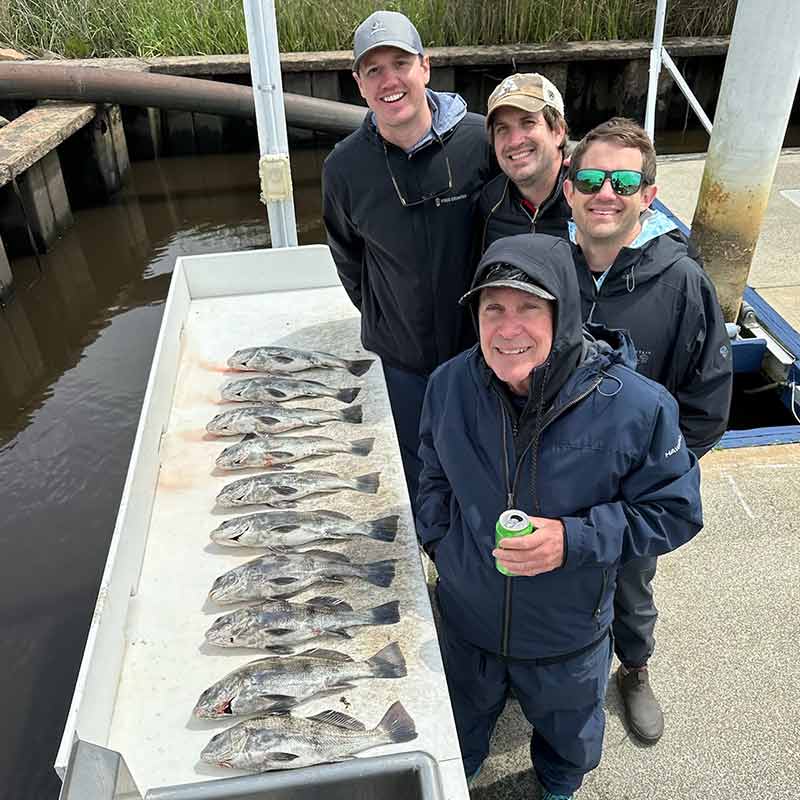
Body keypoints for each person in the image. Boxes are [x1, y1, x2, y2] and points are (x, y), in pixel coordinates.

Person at [417, 233, 703, 799]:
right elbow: (432, 471)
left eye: (529, 308)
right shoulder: (448, 385)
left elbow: (675, 510)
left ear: (564, 313)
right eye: (493, 308)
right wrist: (443, 543)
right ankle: (458, 769)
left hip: (567, 631)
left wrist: (573, 541)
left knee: (569, 735)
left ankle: (558, 784)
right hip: (468, 619)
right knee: (460, 718)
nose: (508, 328)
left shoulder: (637, 406)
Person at [563, 117, 732, 744]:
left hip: (634, 489)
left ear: (649, 195)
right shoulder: (549, 268)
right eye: (590, 179)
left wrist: (659, 476)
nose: (605, 192)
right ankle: (555, 672)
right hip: (558, 477)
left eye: (624, 181)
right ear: (569, 190)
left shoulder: (683, 282)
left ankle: (633, 669)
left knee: (633, 585)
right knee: (557, 580)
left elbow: (708, 399)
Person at [322, 10, 494, 507]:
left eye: (400, 63)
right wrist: (382, 314)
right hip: (401, 361)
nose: (389, 80)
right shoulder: (343, 167)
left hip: (480, 352)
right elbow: (347, 255)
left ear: (425, 66)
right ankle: (431, 541)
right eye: (373, 70)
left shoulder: (480, 141)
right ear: (359, 83)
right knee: (420, 473)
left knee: (485, 465)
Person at [477, 73, 572, 251]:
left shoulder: (589, 196)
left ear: (558, 131)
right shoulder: (491, 202)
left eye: (528, 123)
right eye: (502, 128)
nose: (514, 141)